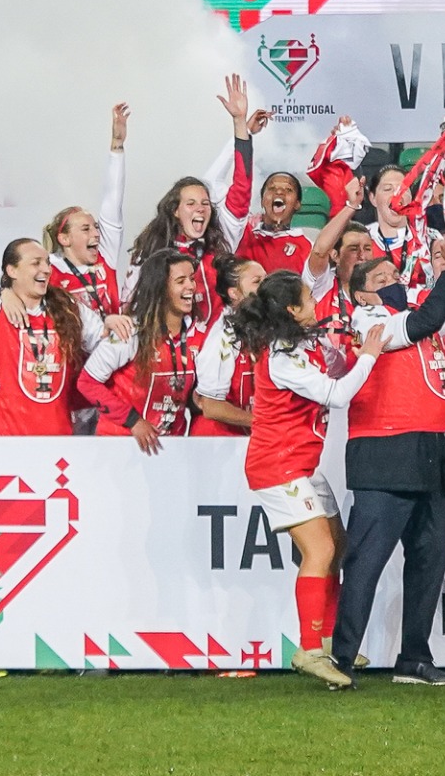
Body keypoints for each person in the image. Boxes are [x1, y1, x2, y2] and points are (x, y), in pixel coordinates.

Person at [328, 234, 445, 689]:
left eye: (395, 274)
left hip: (430, 447)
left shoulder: (411, 312)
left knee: (430, 557)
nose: (393, 282)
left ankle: (414, 656)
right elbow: (426, 322)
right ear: (361, 293)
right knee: (367, 560)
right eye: (382, 278)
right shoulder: (369, 319)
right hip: (384, 447)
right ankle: (340, 658)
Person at [222, 270, 390, 689]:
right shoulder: (281, 359)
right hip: (277, 465)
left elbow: (332, 369)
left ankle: (329, 637)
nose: (316, 306)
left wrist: (346, 352)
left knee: (338, 547)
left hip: (301, 464)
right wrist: (369, 354)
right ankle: (309, 648)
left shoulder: (296, 345)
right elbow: (337, 395)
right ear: (292, 311)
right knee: (320, 549)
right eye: (308, 300)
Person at [0, 157, 114, 438]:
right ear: (12, 270)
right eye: (35, 263)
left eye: (46, 262)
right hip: (4, 448)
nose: (46, 269)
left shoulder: (69, 309)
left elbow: (107, 344)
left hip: (58, 450)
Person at [79, 251, 256, 448]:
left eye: (191, 279)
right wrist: (133, 421)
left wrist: (194, 400)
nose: (190, 286)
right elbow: (87, 383)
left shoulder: (196, 335)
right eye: (181, 281)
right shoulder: (130, 333)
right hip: (121, 444)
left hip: (169, 448)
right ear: (160, 289)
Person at [123, 75, 251, 322]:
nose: (200, 209)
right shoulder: (151, 250)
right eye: (191, 204)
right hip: (167, 352)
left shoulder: (222, 240)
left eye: (205, 203)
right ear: (175, 210)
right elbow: (129, 303)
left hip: (212, 355)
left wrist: (239, 123)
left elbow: (242, 188)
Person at [43, 102, 130, 318]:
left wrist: (117, 145)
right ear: (64, 239)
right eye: (85, 229)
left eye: (96, 227)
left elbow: (113, 199)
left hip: (113, 350)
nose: (96, 233)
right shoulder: (48, 270)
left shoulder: (105, 256)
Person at [192, 260, 264, 437]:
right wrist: (264, 424)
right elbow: (211, 406)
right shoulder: (222, 336)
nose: (266, 287)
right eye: (257, 282)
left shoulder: (262, 328)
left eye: (266, 279)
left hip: (249, 437)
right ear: (234, 293)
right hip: (218, 441)